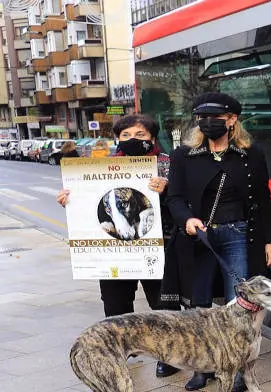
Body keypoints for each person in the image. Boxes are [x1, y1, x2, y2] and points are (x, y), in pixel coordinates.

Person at [165, 92, 271, 392]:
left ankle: (237, 369)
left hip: (238, 235)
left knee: (239, 305)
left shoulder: (250, 154)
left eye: (214, 118)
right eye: (201, 118)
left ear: (232, 120)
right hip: (198, 238)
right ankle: (201, 369)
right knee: (198, 307)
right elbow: (174, 197)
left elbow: (263, 200)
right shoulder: (182, 155)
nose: (206, 123)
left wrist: (270, 240)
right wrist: (187, 219)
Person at [56, 114, 182, 378]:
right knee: (115, 305)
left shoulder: (169, 165)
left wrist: (168, 190)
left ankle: (169, 354)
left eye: (140, 135)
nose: (132, 140)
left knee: (163, 304)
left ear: (152, 137)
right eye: (125, 135)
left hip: (158, 246)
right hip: (114, 252)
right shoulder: (100, 168)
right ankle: (123, 350)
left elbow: (184, 202)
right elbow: (89, 202)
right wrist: (71, 198)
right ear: (117, 139)